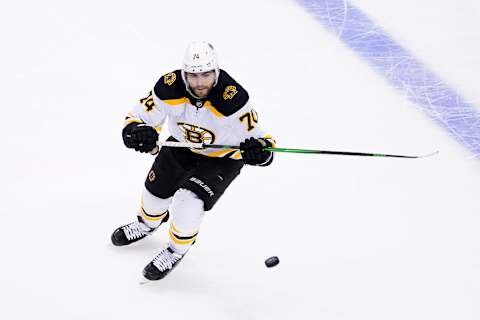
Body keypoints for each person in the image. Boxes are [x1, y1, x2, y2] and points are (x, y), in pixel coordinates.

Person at [111, 41, 276, 281]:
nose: (200, 83)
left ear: (216, 72)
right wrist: (137, 131)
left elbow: (262, 140)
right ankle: (147, 225)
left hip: (221, 159)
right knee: (153, 197)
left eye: (206, 75)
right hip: (180, 146)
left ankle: (176, 250)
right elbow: (138, 116)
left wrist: (260, 152)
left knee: (187, 203)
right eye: (193, 75)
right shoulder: (169, 87)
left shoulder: (233, 97)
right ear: (184, 73)